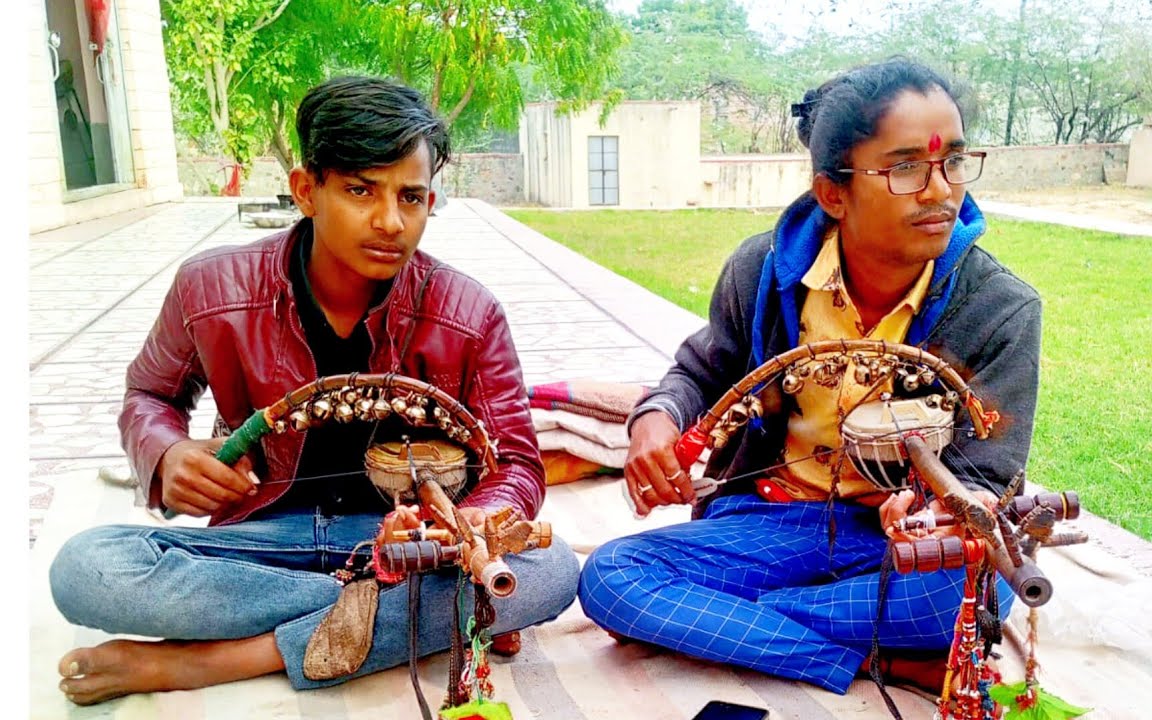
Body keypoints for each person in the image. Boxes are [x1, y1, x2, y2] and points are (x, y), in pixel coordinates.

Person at [49, 76, 579, 706]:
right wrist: (166, 453)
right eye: (360, 190)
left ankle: (214, 660)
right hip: (263, 542)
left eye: (411, 197)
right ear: (306, 190)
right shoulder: (210, 288)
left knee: (552, 569)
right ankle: (399, 616)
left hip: (407, 546)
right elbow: (148, 395)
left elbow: (515, 461)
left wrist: (477, 519)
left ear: (431, 200)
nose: (390, 221)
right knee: (86, 568)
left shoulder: (469, 312)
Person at [578, 58, 1041, 695]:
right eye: (907, 168)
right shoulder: (763, 272)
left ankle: (723, 621)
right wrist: (656, 418)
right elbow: (699, 371)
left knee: (974, 589)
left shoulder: (1000, 308)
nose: (940, 190)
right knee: (612, 578)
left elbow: (985, 477)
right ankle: (877, 659)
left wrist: (936, 510)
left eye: (954, 161)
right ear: (833, 193)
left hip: (894, 546)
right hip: (767, 522)